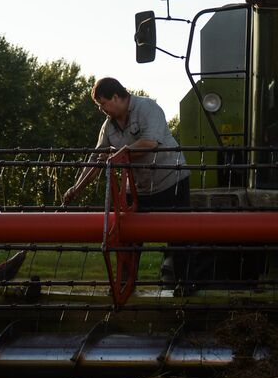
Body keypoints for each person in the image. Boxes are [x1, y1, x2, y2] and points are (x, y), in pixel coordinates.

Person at [63, 77, 191, 289]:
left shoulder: (148, 108)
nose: (101, 109)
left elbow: (150, 143)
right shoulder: (108, 127)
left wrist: (118, 155)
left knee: (178, 236)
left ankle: (184, 286)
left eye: (102, 103)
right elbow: (96, 159)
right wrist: (77, 188)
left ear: (116, 97)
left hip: (170, 181)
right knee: (129, 237)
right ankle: (125, 286)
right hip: (138, 186)